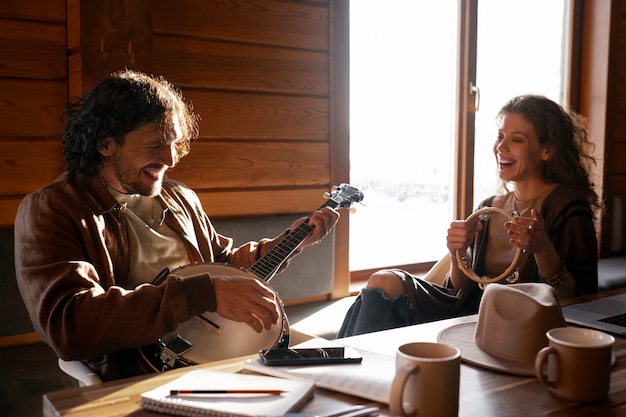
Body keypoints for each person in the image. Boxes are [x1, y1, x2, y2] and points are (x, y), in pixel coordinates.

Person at [14, 69, 339, 381]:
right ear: (106, 144)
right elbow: (70, 324)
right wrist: (202, 294)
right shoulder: (52, 209)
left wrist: (292, 242)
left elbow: (222, 266)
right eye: (155, 145)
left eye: (174, 142)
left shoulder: (178, 197)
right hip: (138, 369)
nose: (170, 159)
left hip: (214, 350)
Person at [338, 94, 600, 338]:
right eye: (500, 137)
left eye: (516, 140)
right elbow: (459, 289)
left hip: (515, 323)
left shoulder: (567, 204)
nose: (501, 147)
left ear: (547, 151)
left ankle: (340, 369)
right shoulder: (489, 207)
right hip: (469, 312)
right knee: (382, 281)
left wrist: (543, 249)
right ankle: (343, 367)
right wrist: (456, 253)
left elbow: (578, 297)